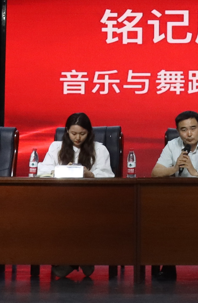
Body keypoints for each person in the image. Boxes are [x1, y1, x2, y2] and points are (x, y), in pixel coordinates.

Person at [151, 110, 198, 281]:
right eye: (184, 130)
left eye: (193, 128)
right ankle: (169, 265)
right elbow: (155, 172)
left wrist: (195, 172)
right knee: (164, 216)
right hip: (179, 199)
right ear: (178, 131)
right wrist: (173, 169)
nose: (189, 134)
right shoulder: (173, 145)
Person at [39, 112, 114, 279]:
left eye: (82, 134)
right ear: (67, 131)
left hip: (90, 200)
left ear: (89, 132)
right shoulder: (56, 147)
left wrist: (90, 175)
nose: (78, 138)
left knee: (78, 216)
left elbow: (108, 176)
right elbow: (43, 171)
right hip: (60, 198)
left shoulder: (100, 149)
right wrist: (62, 170)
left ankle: (70, 262)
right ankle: (81, 259)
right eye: (73, 133)